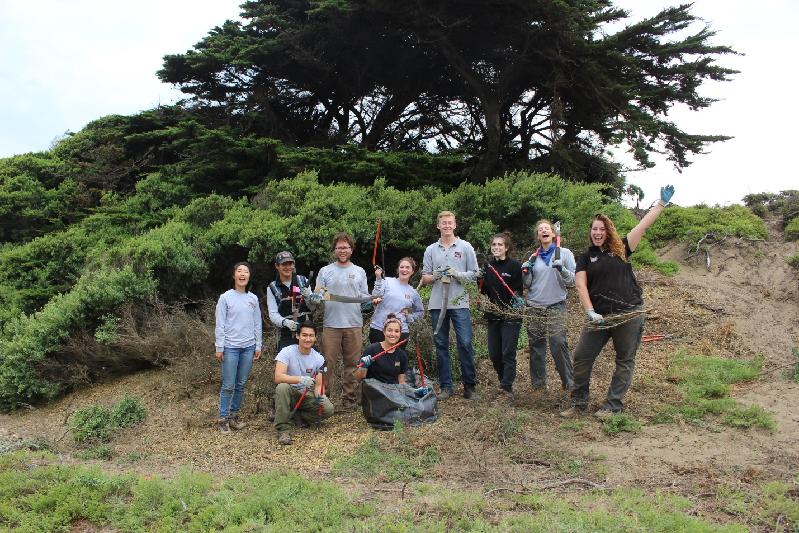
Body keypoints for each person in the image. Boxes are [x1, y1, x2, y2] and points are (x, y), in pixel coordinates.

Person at [561, 185, 675, 420]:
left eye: (602, 229)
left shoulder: (622, 249)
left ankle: (612, 407)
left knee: (624, 360)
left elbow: (643, 226)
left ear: (608, 231)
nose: (598, 232)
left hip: (629, 314)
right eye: (594, 229)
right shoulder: (585, 258)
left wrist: (660, 205)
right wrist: (590, 311)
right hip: (600, 318)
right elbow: (580, 285)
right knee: (581, 356)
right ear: (590, 232)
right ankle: (579, 403)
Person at [422, 210, 480, 401]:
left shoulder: (465, 247)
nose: (447, 226)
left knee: (464, 343)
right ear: (438, 226)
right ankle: (446, 387)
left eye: (450, 223)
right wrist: (437, 275)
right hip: (438, 304)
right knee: (441, 345)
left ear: (455, 225)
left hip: (460, 302)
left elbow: (475, 273)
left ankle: (470, 387)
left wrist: (456, 273)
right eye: (443, 223)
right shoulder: (431, 249)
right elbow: (425, 277)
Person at [314, 232, 374, 410]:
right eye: (339, 247)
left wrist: (373, 299)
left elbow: (364, 296)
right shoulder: (325, 271)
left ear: (351, 249)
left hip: (354, 324)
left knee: (353, 363)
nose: (342, 250)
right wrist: (315, 296)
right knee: (327, 363)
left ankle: (349, 398)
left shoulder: (359, 271)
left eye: (346, 247)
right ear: (334, 250)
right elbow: (318, 295)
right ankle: (324, 397)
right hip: (331, 325)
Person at [522, 220, 576, 392]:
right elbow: (527, 285)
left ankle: (569, 382)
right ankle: (538, 385)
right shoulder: (533, 257)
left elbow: (574, 280)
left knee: (558, 344)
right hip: (534, 306)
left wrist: (563, 270)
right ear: (538, 236)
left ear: (553, 234)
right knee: (536, 346)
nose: (543, 231)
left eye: (546, 229)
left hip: (555, 305)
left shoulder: (564, 253)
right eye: (540, 230)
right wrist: (526, 272)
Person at [214, 261, 263, 433]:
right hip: (230, 347)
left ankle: (234, 416)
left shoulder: (253, 298)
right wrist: (219, 347)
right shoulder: (225, 297)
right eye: (239, 271)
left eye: (246, 271)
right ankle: (223, 419)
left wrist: (258, 345)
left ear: (249, 276)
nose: (242, 274)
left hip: (248, 347)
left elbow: (257, 323)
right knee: (229, 384)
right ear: (234, 275)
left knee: (241, 384)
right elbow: (220, 324)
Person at [273, 322, 334, 445]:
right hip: (289, 392)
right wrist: (300, 379)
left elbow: (318, 384)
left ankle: (297, 416)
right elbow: (278, 377)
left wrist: (319, 396)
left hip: (306, 395)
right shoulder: (287, 352)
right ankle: (283, 429)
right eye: (304, 335)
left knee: (328, 409)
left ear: (315, 338)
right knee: (282, 387)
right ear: (297, 336)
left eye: (311, 336)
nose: (308, 339)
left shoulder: (318, 358)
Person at [480, 232, 524, 396]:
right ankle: (503, 380)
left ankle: (506, 387)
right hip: (493, 315)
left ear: (506, 248)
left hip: (511, 315)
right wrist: (479, 281)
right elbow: (483, 290)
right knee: (494, 354)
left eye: (500, 245)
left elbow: (519, 289)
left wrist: (516, 303)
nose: (496, 247)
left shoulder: (514, 266)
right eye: (494, 245)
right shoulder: (488, 267)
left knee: (507, 352)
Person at [265, 251, 314, 352]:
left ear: (294, 265)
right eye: (284, 264)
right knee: (285, 364)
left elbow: (312, 308)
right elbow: (273, 314)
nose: (288, 267)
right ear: (277, 266)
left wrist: (309, 297)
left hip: (307, 332)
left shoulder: (303, 281)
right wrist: (286, 322)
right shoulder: (272, 288)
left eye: (290, 264)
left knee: (309, 364)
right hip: (287, 334)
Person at [370, 257, 424, 343]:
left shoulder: (413, 293)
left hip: (400, 333)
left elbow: (420, 313)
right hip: (379, 328)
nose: (404, 270)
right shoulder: (386, 281)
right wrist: (378, 278)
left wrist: (409, 317)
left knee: (397, 356)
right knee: (377, 356)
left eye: (407, 267)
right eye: (401, 267)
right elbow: (375, 296)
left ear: (412, 271)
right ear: (398, 269)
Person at [356, 315, 409, 385]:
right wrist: (363, 367)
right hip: (373, 391)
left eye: (396, 331)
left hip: (393, 393)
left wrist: (412, 392)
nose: (393, 334)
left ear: (400, 334)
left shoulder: (402, 355)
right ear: (384, 331)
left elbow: (401, 382)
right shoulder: (372, 349)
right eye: (389, 330)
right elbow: (358, 378)